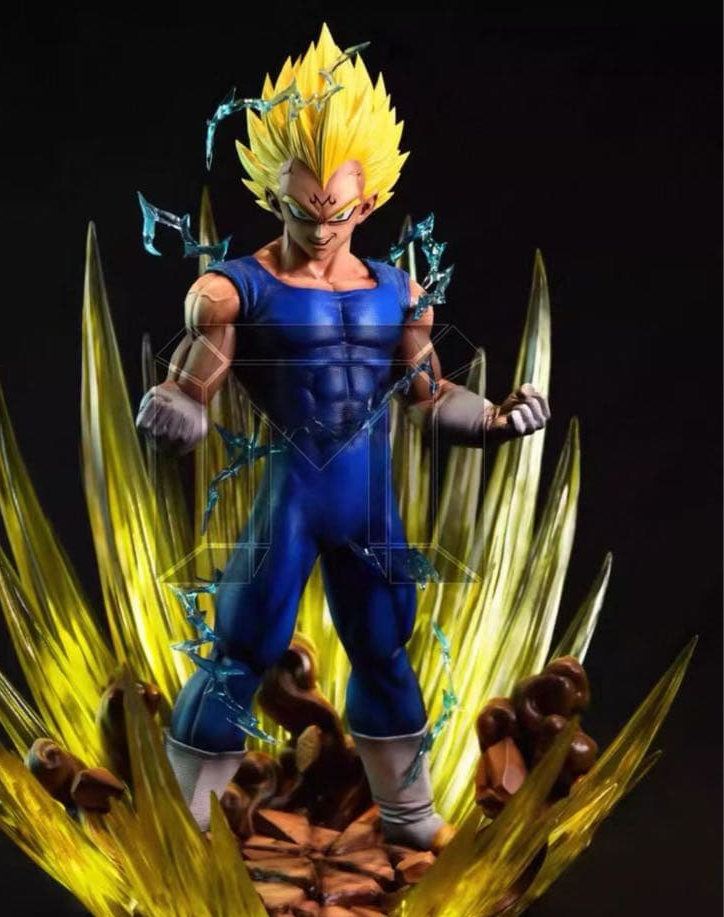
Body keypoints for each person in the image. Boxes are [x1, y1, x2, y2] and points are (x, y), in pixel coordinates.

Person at [136, 25, 549, 851]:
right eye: (302, 209)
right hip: (293, 492)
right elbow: (193, 381)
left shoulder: (401, 294)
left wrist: (497, 420)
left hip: (365, 498)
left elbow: (431, 396)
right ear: (273, 195)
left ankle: (407, 815)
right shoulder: (233, 291)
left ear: (367, 201)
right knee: (240, 649)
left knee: (385, 648)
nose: (321, 227)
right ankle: (185, 830)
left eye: (338, 210)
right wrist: (177, 405)